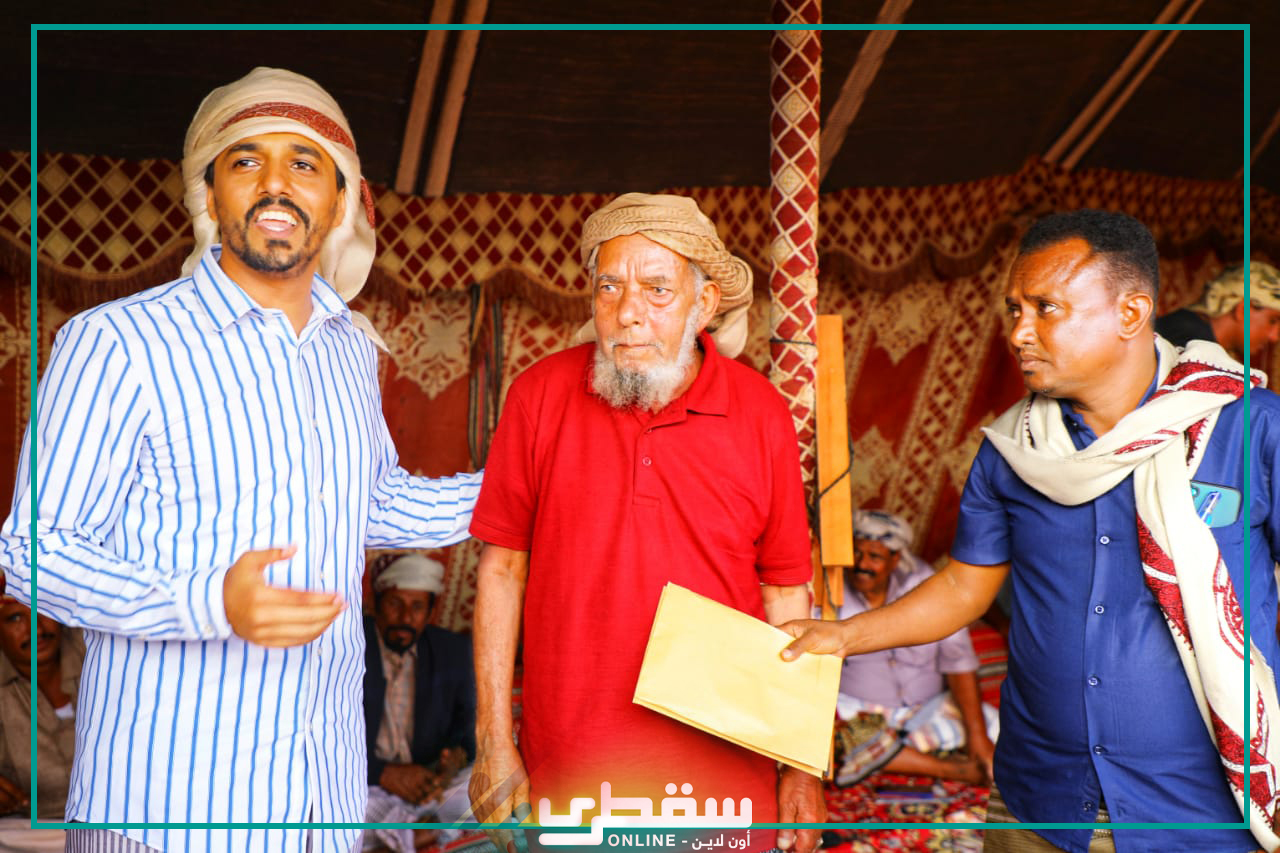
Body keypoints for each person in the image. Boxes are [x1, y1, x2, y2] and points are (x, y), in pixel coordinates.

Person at [0, 67, 481, 853]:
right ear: (209, 193)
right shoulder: (118, 342)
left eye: (304, 162)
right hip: (164, 808)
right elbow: (33, 552)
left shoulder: (348, 352)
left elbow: (374, 502)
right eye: (247, 160)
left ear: (340, 201)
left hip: (321, 803)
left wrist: (521, 487)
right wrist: (208, 603)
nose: (275, 182)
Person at [780, 209, 1280, 853]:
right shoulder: (1012, 450)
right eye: (1014, 309)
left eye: (1046, 309)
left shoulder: (1250, 429)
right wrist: (846, 635)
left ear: (1131, 313)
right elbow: (963, 588)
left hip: (1202, 815)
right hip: (1038, 804)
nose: (1019, 332)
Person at [467, 193, 824, 853]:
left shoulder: (761, 412)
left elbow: (785, 593)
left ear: (704, 303)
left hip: (723, 776)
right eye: (610, 287)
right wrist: (493, 740)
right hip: (574, 775)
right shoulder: (538, 396)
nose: (627, 312)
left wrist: (799, 766)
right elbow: (500, 570)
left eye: (657, 289)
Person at [826, 510, 996, 785]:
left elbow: (958, 658)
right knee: (836, 739)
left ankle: (895, 757)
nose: (861, 564)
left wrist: (978, 737)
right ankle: (952, 770)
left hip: (927, 708)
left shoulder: (923, 582)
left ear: (895, 559)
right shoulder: (830, 592)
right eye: (856, 553)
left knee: (999, 729)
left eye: (874, 556)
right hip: (860, 713)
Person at [362, 554, 475, 853]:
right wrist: (383, 773)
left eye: (417, 607)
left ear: (430, 612)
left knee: (487, 783)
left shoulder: (453, 651)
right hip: (365, 787)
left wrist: (454, 760)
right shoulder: (349, 646)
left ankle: (408, 836)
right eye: (395, 603)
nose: (405, 617)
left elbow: (468, 728)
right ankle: (418, 835)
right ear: (375, 604)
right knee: (323, 815)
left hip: (428, 785)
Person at [0, 575, 81, 852]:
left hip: (113, 825)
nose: (35, 628)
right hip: (28, 837)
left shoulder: (95, 653)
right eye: (15, 618)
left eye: (43, 610)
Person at [1155, 260, 1280, 360]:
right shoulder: (1194, 348)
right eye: (1272, 321)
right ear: (1243, 310)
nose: (1274, 337)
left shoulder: (1184, 327)